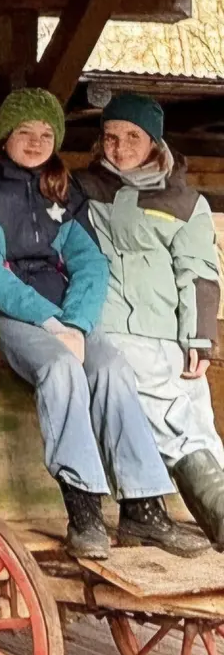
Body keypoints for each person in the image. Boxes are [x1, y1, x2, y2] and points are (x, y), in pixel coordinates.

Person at [0, 88, 203, 559]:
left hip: (66, 317)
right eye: (24, 131)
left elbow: (91, 263)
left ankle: (143, 507)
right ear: (6, 135)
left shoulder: (64, 188)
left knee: (112, 370)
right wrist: (50, 323)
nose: (35, 141)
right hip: (5, 315)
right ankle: (83, 507)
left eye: (46, 133)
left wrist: (80, 324)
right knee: (62, 369)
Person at [76, 93, 224, 549]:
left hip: (170, 330)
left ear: (154, 142)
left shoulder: (184, 201)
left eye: (132, 138)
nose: (118, 148)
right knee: (172, 419)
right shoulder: (84, 188)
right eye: (110, 137)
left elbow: (199, 269)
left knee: (197, 419)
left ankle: (212, 519)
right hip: (111, 327)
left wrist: (199, 339)